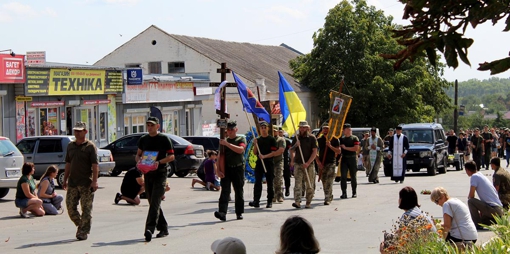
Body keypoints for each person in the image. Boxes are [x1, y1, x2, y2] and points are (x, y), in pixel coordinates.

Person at [136, 116, 175, 242]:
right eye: (148, 125)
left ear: (158, 126)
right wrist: (139, 163)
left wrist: (160, 162)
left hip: (160, 173)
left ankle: (149, 229)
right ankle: (163, 227)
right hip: (148, 174)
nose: (150, 127)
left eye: (152, 125)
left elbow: (172, 156)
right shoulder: (144, 139)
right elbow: (138, 155)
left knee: (155, 200)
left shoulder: (164, 139)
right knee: (153, 202)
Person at [63, 122, 98, 240]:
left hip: (86, 183)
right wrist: (65, 179)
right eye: (75, 131)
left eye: (79, 130)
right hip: (73, 182)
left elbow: (95, 165)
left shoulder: (90, 146)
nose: (77, 133)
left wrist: (94, 181)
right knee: (70, 208)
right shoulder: (70, 146)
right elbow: (68, 163)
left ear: (85, 131)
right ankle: (81, 225)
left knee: (86, 209)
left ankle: (83, 232)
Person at [380, 186, 436, 253]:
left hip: (423, 248)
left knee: (385, 248)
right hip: (433, 246)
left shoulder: (407, 216)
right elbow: (401, 232)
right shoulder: (419, 211)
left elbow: (400, 239)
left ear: (402, 200)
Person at [215, 120, 246, 221]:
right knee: (225, 191)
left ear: (236, 129)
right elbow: (220, 156)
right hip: (227, 168)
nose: (230, 131)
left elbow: (240, 150)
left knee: (239, 191)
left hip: (238, 168)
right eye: (228, 130)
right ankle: (222, 212)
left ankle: (239, 212)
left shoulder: (240, 139)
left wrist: (226, 144)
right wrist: (218, 170)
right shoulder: (224, 141)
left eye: (232, 129)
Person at [464, 161, 504, 229]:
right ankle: (496, 221)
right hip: (499, 211)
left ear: (467, 170)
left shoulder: (474, 176)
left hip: (494, 210)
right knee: (482, 221)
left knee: (471, 201)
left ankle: (477, 225)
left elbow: (471, 196)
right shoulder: (480, 175)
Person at [250, 121, 278, 208]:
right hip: (259, 163)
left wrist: (265, 156)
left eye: (264, 127)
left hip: (269, 162)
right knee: (257, 182)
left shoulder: (272, 139)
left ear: (268, 128)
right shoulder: (258, 139)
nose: (263, 129)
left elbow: (274, 153)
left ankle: (269, 201)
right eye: (261, 128)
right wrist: (255, 144)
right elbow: (255, 152)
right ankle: (256, 200)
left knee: (270, 182)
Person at [290, 121, 318, 208]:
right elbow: (291, 150)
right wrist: (296, 145)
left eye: (303, 127)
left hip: (309, 164)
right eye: (300, 127)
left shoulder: (312, 138)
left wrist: (308, 163)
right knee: (298, 183)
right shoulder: (297, 138)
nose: (302, 129)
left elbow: (315, 152)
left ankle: (308, 201)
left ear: (307, 128)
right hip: (298, 163)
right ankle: (297, 201)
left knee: (310, 183)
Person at [315, 126, 340, 205]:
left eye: (327, 129)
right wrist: (318, 162)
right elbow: (314, 152)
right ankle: (329, 194)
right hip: (322, 163)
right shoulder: (318, 140)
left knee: (329, 180)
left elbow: (338, 151)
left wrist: (330, 146)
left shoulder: (335, 139)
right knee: (324, 180)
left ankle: (327, 198)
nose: (325, 130)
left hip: (331, 162)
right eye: (324, 129)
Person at [339, 123, 360, 198]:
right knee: (343, 176)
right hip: (344, 158)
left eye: (350, 129)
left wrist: (345, 148)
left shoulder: (354, 138)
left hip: (352, 158)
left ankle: (354, 192)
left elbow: (356, 148)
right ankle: (344, 192)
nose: (350, 130)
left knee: (353, 176)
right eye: (348, 129)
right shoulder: (342, 139)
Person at [272, 126, 286, 203]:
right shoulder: (269, 139)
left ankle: (280, 195)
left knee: (278, 178)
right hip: (270, 162)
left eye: (275, 131)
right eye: (272, 131)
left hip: (278, 162)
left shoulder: (280, 140)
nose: (274, 132)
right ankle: (273, 195)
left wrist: (270, 154)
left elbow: (281, 150)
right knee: (272, 180)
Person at [281, 129, 292, 197]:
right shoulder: (274, 140)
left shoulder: (287, 141)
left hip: (286, 160)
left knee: (287, 176)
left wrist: (291, 160)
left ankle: (287, 188)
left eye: (280, 132)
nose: (279, 133)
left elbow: (290, 151)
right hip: (277, 161)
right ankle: (279, 193)